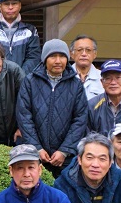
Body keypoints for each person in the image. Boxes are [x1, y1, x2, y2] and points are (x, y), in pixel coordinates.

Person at [16, 39, 88, 177]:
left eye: (62, 56)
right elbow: (24, 116)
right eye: (52, 56)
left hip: (65, 158)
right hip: (35, 155)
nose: (58, 61)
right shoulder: (30, 81)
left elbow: (80, 119)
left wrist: (64, 150)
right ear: (44, 59)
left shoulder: (75, 84)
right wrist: (36, 148)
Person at [70, 35, 104, 100]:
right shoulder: (64, 76)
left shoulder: (102, 77)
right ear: (72, 54)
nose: (84, 54)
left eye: (88, 50)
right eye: (79, 50)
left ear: (95, 54)